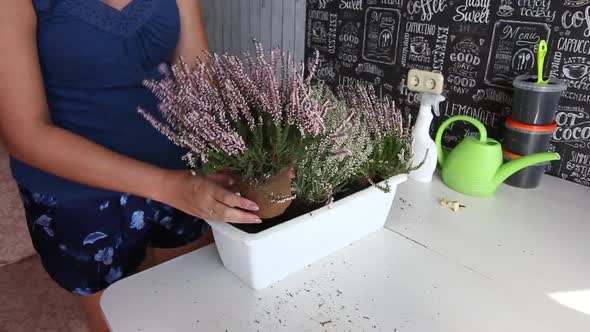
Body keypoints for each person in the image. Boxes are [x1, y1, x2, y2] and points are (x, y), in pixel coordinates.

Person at [0, 1, 262, 330]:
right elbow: (23, 134)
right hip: (79, 195)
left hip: (184, 174)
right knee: (123, 321)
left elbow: (199, 76)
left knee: (194, 310)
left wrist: (241, 151)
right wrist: (169, 186)